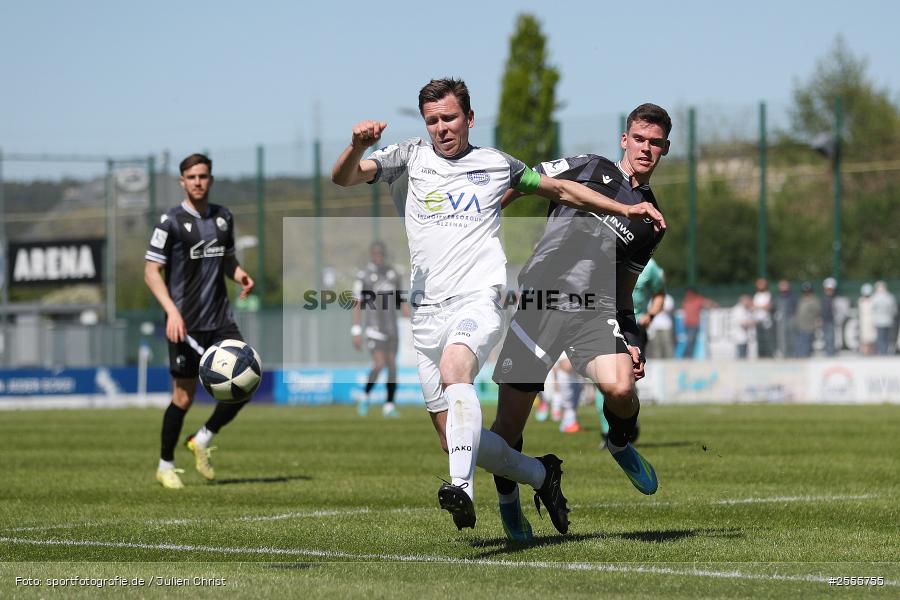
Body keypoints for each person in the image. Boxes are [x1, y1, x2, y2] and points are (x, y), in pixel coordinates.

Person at [330, 79, 665, 535]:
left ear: (469, 118)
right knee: (476, 434)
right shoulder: (411, 156)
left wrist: (626, 217)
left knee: (613, 387)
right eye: (433, 120)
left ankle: (608, 447)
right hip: (487, 306)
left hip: (535, 304)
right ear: (624, 138)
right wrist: (356, 148)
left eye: (450, 118)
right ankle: (535, 480)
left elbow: (607, 259)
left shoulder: (501, 166)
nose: (442, 128)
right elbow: (345, 177)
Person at [490, 103, 672, 540]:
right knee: (507, 429)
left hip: (593, 311)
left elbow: (625, 290)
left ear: (665, 149)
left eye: (656, 143)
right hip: (540, 304)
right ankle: (510, 504)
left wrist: (632, 339)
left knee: (623, 386)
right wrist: (488, 215)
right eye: (639, 139)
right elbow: (524, 179)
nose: (646, 148)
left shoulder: (652, 222)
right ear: (624, 139)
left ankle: (620, 442)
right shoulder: (588, 166)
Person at [144, 153, 255, 489]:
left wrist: (239, 275)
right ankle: (165, 465)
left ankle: (202, 439)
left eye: (203, 176)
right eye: (191, 177)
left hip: (220, 319)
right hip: (185, 323)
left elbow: (227, 259)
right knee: (184, 398)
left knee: (245, 383)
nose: (197, 182)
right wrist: (172, 312)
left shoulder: (223, 217)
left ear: (210, 179)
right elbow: (151, 272)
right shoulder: (170, 221)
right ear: (182, 181)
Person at [351, 240, 406, 417]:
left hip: (391, 327)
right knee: (379, 364)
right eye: (375, 254)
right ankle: (365, 396)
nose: (378, 257)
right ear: (371, 255)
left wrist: (410, 316)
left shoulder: (393, 274)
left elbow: (401, 301)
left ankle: (389, 405)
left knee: (392, 366)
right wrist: (356, 330)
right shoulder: (364, 276)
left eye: (381, 253)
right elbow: (357, 304)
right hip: (374, 327)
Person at [681, 288, 715, 359]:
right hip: (687, 324)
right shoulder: (686, 301)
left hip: (694, 324)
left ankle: (687, 357)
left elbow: (708, 304)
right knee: (690, 341)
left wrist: (712, 306)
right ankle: (686, 357)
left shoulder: (698, 300)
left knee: (691, 341)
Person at [792, 282, 820, 358]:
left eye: (808, 290)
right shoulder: (801, 300)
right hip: (799, 327)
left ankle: (805, 362)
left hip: (809, 327)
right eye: (805, 290)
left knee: (806, 348)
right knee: (798, 348)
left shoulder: (814, 300)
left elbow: (817, 313)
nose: (806, 292)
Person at [871, 281, 898, 356]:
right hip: (888, 320)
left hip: (879, 320)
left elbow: (872, 308)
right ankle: (885, 351)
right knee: (887, 337)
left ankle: (881, 352)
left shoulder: (875, 297)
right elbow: (894, 310)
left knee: (880, 337)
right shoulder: (890, 297)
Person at [774, 279, 798, 358]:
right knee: (782, 338)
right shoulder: (777, 297)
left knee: (792, 338)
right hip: (781, 321)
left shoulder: (793, 297)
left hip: (790, 319)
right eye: (782, 285)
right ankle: (784, 355)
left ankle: (793, 355)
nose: (783, 287)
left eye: (785, 285)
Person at [753, 278, 775, 358]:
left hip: (767, 322)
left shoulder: (768, 295)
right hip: (758, 321)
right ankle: (761, 356)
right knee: (760, 341)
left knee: (768, 341)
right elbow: (754, 307)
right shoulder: (756, 295)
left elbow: (768, 306)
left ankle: (770, 356)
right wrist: (761, 307)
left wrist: (759, 307)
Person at [730, 294, 754, 359]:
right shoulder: (738, 310)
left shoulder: (746, 309)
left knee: (744, 356)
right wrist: (754, 322)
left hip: (744, 338)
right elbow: (743, 323)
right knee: (741, 357)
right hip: (740, 338)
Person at [820, 277, 838, 356]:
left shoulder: (835, 299)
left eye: (830, 289)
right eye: (828, 289)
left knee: (831, 338)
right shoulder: (823, 299)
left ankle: (831, 354)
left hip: (832, 321)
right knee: (826, 338)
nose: (829, 291)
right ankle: (828, 353)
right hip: (825, 321)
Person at [858, 283, 876, 356]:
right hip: (864, 322)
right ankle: (865, 353)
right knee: (864, 339)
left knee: (871, 338)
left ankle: (871, 352)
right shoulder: (861, 300)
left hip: (871, 321)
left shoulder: (873, 300)